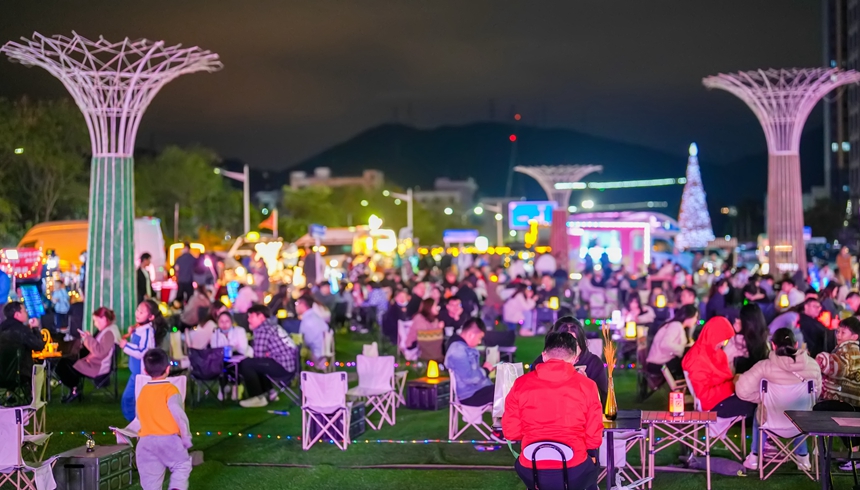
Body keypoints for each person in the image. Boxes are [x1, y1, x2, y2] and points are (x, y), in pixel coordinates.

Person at [503, 332, 602, 490]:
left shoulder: (520, 384)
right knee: (591, 469)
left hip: (531, 464)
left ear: (544, 355)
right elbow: (594, 437)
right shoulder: (587, 386)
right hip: (574, 466)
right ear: (575, 359)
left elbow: (511, 432)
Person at [735, 327, 821, 471]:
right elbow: (816, 394)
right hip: (803, 423)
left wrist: (762, 399)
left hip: (771, 422)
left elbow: (741, 390)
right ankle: (803, 459)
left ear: (773, 345)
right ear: (795, 345)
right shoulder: (813, 366)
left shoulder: (764, 367)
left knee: (760, 411)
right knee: (801, 411)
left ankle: (755, 458)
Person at [135, 348, 192, 490]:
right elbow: (179, 414)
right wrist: (185, 437)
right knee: (182, 465)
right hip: (168, 440)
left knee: (151, 483)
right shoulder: (171, 390)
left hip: (145, 443)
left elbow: (139, 417)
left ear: (145, 371)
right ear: (168, 369)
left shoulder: (143, 392)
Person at [682, 317, 756, 419]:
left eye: (725, 341)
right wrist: (733, 384)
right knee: (756, 406)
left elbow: (727, 379)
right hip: (713, 404)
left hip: (724, 397)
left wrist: (736, 381)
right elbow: (705, 397)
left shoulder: (717, 353)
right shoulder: (696, 358)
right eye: (722, 340)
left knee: (757, 399)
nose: (722, 344)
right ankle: (764, 433)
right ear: (713, 336)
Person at [531, 317, 608, 403]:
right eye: (566, 346)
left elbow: (604, 402)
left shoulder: (594, 363)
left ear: (582, 342)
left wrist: (587, 385)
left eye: (575, 345)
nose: (571, 352)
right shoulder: (540, 364)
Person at [239, 304, 298, 408]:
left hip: (282, 366)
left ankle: (258, 397)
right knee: (261, 363)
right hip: (291, 365)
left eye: (251, 316)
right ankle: (271, 392)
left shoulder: (263, 329)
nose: (248, 319)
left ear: (261, 316)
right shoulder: (272, 325)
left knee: (248, 363)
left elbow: (258, 355)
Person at [56, 307, 117, 403]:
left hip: (97, 367)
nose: (95, 323)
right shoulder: (105, 331)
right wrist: (88, 338)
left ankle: (74, 389)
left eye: (96, 321)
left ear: (104, 319)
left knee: (63, 365)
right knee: (64, 363)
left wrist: (88, 339)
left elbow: (100, 351)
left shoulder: (108, 333)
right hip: (93, 363)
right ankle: (74, 389)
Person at [120, 300, 165, 422]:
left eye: (142, 312)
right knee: (129, 399)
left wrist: (126, 346)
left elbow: (143, 351)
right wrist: (132, 332)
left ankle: (140, 424)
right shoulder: (141, 329)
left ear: (151, 317)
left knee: (133, 400)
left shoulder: (147, 332)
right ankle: (137, 423)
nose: (138, 313)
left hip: (142, 374)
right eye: (138, 310)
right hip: (136, 374)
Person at [445, 318, 494, 406]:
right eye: (479, 338)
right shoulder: (457, 350)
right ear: (471, 334)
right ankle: (508, 419)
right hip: (470, 396)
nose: (479, 342)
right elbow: (469, 378)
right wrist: (485, 370)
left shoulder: (463, 347)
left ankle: (507, 418)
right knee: (507, 391)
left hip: (478, 389)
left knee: (510, 388)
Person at [0, 301, 45, 392]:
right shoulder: (22, 331)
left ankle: (10, 395)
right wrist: (35, 328)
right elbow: (39, 346)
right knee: (39, 364)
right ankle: (34, 395)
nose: (27, 312)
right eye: (24, 311)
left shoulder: (1, 329)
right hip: (20, 376)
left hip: (1, 376)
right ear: (17, 314)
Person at [816, 316, 860, 408]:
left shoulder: (851, 350)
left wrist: (823, 360)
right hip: (842, 402)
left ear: (854, 337)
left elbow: (841, 368)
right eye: (838, 331)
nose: (838, 335)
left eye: (843, 332)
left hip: (842, 404)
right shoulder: (844, 349)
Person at [647, 304, 698, 379]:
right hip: (658, 365)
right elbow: (665, 344)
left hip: (661, 363)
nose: (696, 320)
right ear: (689, 316)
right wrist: (684, 349)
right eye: (695, 317)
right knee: (690, 362)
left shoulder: (677, 326)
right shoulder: (675, 325)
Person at [725, 303, 770, 375]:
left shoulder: (736, 342)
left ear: (746, 323)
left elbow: (724, 365)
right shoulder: (765, 340)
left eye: (740, 318)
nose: (736, 320)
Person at [296, 296, 330, 363]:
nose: (295, 307)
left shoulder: (307, 321)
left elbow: (304, 342)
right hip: (325, 350)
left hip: (317, 355)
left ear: (302, 305)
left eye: (296, 304)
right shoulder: (315, 316)